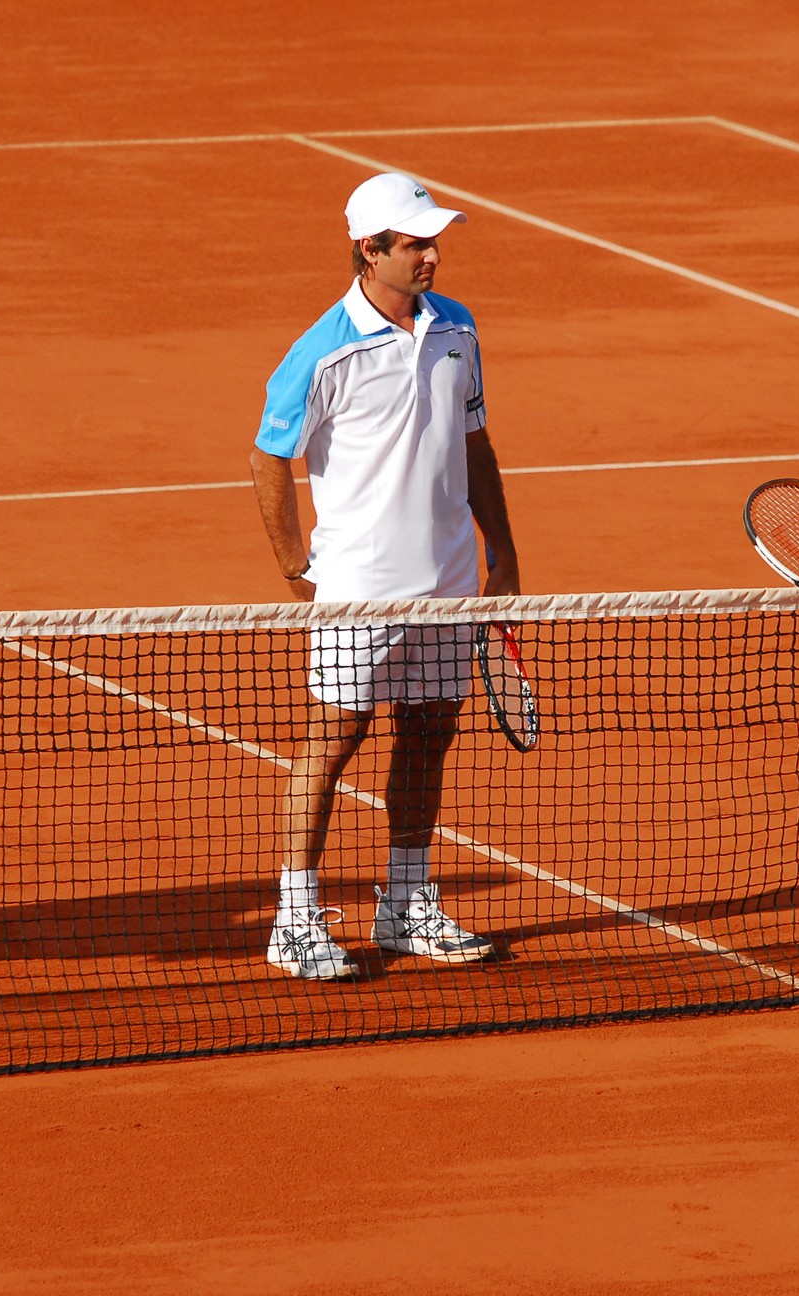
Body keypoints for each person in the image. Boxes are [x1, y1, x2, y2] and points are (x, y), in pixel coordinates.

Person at [249, 172, 520, 981]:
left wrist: (500, 551)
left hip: (445, 579)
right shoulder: (321, 351)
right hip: (360, 586)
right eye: (415, 243)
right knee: (335, 739)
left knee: (430, 731)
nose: (433, 254)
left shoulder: (458, 330)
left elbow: (475, 445)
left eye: (434, 240)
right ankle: (294, 920)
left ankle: (405, 904)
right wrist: (296, 561)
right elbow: (270, 457)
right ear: (370, 251)